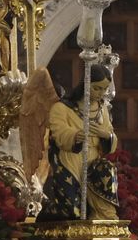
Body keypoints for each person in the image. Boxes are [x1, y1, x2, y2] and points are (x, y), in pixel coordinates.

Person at [37, 64, 119, 221]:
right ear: (85, 84)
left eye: (104, 89)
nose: (101, 94)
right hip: (70, 162)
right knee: (71, 211)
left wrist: (106, 135)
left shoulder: (102, 110)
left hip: (92, 162)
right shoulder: (62, 108)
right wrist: (75, 136)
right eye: (97, 88)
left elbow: (111, 137)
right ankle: (44, 217)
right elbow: (58, 132)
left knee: (94, 203)